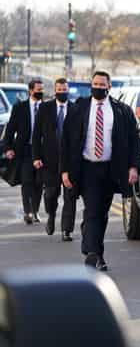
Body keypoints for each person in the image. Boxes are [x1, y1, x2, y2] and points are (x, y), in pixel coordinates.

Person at [60, 71, 140, 271]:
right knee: (93, 209)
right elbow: (66, 141)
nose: (98, 87)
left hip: (111, 168)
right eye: (94, 84)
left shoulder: (121, 111)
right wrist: (64, 171)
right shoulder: (79, 108)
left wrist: (133, 167)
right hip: (87, 168)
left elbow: (134, 140)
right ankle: (92, 252)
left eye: (101, 84)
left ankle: (97, 254)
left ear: (109, 86)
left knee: (101, 212)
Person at [32, 78, 77, 241]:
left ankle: (67, 230)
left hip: (70, 162)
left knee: (70, 197)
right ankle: (51, 215)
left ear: (68, 90)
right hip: (49, 161)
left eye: (64, 89)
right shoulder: (45, 108)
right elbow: (36, 135)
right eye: (59, 89)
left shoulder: (75, 109)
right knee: (51, 194)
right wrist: (36, 157)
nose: (62, 92)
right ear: (55, 90)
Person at [2, 79, 45, 224]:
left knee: (38, 182)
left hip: (42, 151)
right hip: (25, 150)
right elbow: (10, 130)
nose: (41, 92)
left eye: (42, 90)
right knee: (27, 181)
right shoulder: (19, 108)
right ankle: (28, 212)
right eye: (38, 90)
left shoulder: (47, 108)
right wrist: (7, 148)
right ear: (30, 91)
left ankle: (35, 210)